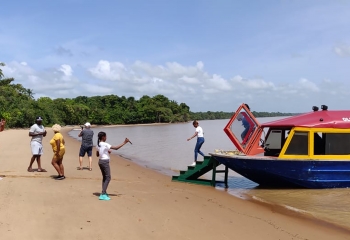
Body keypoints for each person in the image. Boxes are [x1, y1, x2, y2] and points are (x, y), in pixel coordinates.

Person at [96, 131, 131, 201]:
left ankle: (104, 192)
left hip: (100, 162)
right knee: (108, 177)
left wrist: (106, 152)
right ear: (103, 137)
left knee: (105, 177)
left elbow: (97, 155)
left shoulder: (98, 144)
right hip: (105, 162)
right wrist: (125, 142)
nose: (106, 138)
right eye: (106, 136)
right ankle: (103, 194)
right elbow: (116, 148)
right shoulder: (105, 144)